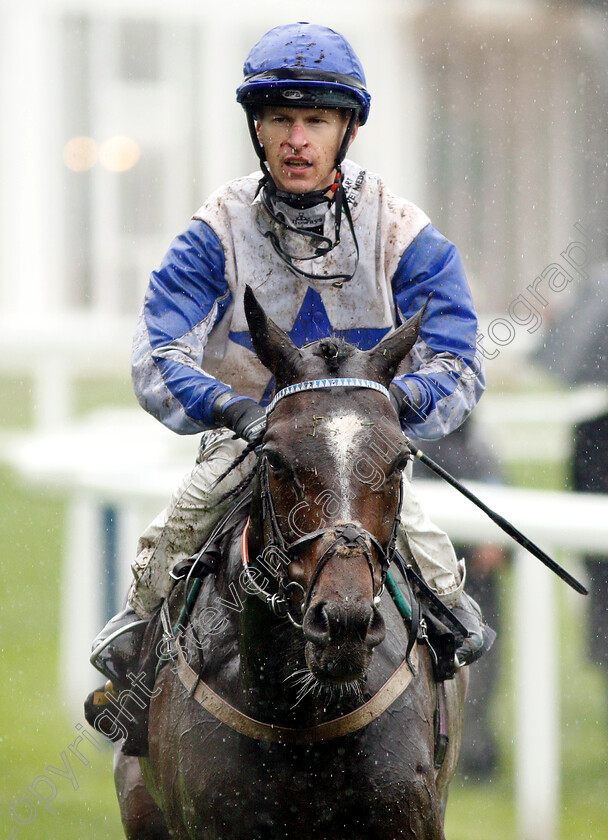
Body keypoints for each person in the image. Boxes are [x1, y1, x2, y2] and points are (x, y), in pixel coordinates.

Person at [87, 22, 488, 721]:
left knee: (441, 581)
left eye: (315, 120)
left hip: (355, 456)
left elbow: (460, 356)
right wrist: (233, 410)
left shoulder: (402, 229)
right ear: (258, 129)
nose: (297, 138)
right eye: (280, 119)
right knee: (171, 539)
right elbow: (157, 352)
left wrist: (388, 410)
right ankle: (134, 669)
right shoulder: (215, 228)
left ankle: (442, 681)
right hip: (254, 446)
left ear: (346, 132)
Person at [414, 418, 509, 778]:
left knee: (485, 672)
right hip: (443, 581)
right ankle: (464, 754)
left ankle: (476, 753)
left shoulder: (479, 445)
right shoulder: (426, 443)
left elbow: (501, 493)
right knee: (454, 672)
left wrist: (497, 547)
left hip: (480, 581)